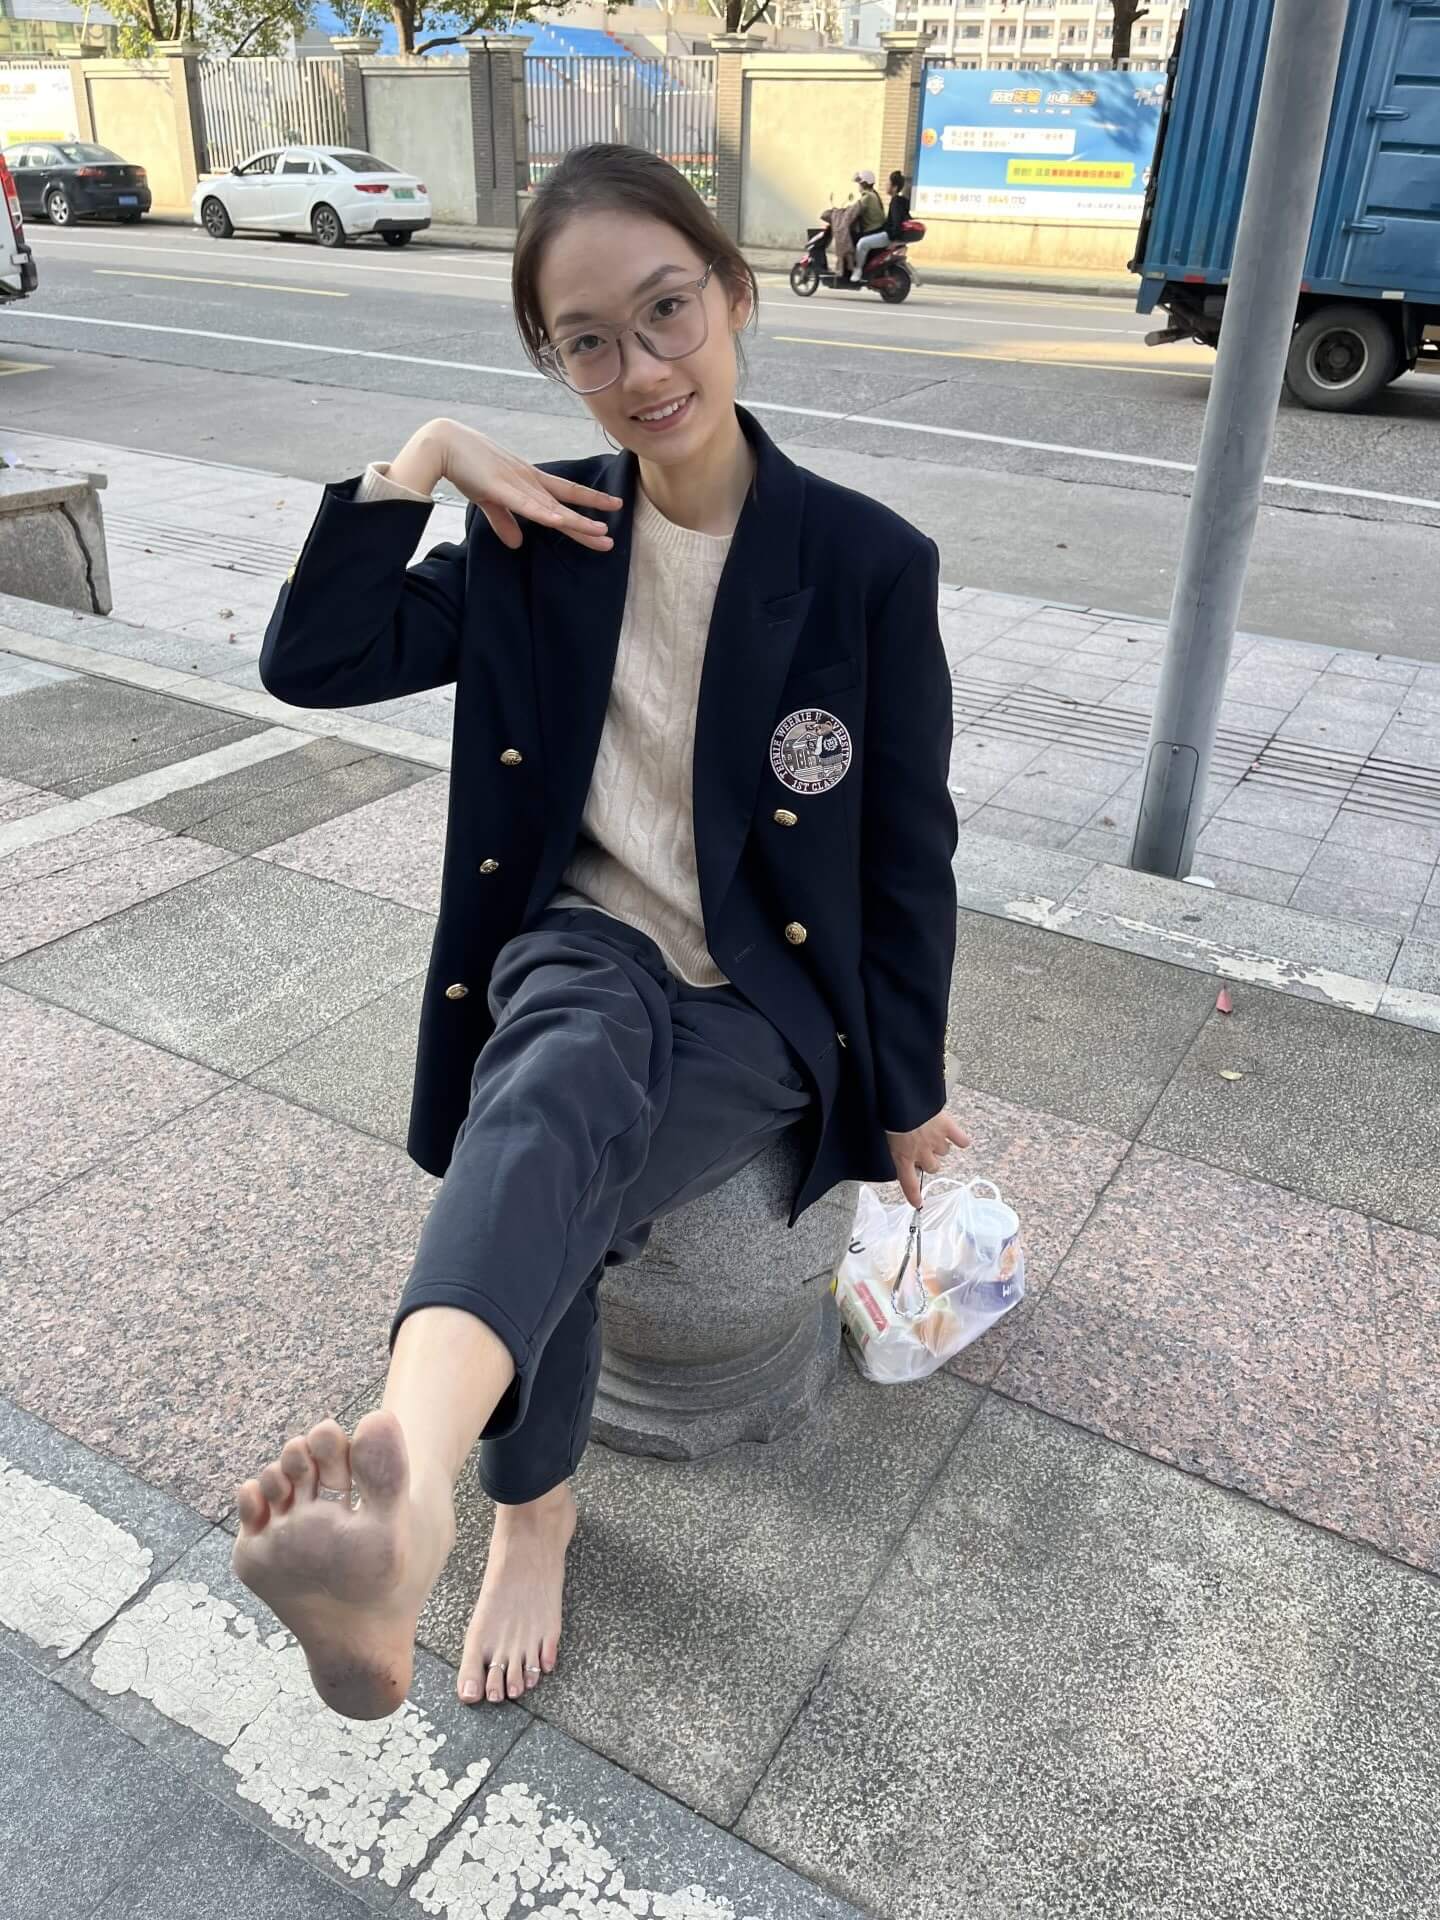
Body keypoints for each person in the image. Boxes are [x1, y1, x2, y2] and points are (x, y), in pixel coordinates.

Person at [231, 142, 965, 1724]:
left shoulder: (866, 565)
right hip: (584, 946)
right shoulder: (537, 533)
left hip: (762, 998)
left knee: (547, 1178)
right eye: (586, 341)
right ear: (551, 361)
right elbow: (314, 661)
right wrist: (432, 457)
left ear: (737, 296)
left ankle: (482, 1506)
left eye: (666, 311)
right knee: (560, 1070)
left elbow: (910, 860)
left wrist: (907, 1092)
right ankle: (428, 1492)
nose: (640, 370)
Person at [854, 170, 910, 283]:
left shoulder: (895, 202)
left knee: (862, 243)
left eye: (888, 183)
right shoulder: (899, 201)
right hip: (888, 234)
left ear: (894, 187)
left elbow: (896, 224)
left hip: (889, 236)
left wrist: (894, 241)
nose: (885, 185)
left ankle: (858, 270)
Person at [848, 167, 887, 281]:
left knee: (853, 239)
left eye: (859, 183)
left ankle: (858, 269)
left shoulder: (868, 197)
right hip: (877, 229)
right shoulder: (873, 194)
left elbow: (854, 210)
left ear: (864, 183)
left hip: (873, 230)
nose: (858, 186)